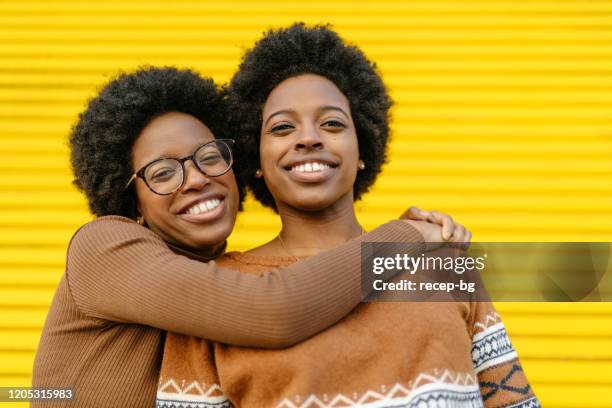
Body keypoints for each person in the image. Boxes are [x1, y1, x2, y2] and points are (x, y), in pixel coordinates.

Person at [32, 66, 462, 407]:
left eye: (210, 157)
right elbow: (275, 310)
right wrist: (406, 235)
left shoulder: (218, 273)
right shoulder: (105, 248)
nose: (197, 180)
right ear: (132, 203)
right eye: (163, 173)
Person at [157, 24, 540, 408]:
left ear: (362, 150)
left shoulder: (442, 261)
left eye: (333, 123)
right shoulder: (216, 294)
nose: (308, 138)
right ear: (257, 160)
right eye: (283, 127)